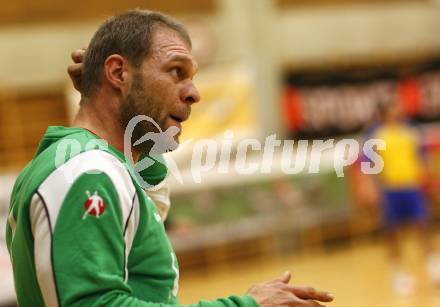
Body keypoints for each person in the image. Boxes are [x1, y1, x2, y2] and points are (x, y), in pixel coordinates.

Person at [6, 10, 334, 307]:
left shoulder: (84, 162)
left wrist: (101, 91)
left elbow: (148, 185)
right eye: (177, 72)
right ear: (118, 72)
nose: (194, 92)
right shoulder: (88, 172)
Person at [369, 100, 440, 295]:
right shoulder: (376, 137)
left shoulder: (411, 134)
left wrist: (430, 184)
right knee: (392, 233)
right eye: (392, 111)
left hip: (413, 187)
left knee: (423, 226)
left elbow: (422, 159)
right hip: (391, 190)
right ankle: (398, 274)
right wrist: (374, 189)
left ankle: (434, 267)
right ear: (383, 115)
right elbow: (371, 166)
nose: (397, 114)